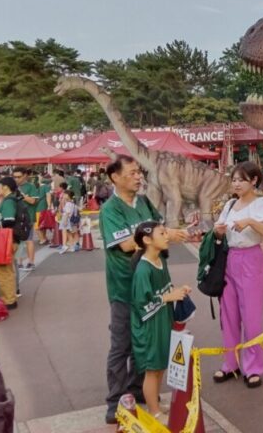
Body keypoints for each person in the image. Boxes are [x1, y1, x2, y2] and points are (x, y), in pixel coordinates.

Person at [98, 154, 189, 424]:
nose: (139, 177)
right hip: (125, 288)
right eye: (132, 173)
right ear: (115, 177)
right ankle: (115, 401)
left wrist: (169, 232)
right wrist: (166, 234)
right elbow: (127, 244)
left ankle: (139, 390)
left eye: (140, 172)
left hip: (154, 286)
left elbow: (158, 229)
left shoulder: (145, 202)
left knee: (147, 340)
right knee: (122, 343)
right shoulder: (110, 210)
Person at [212, 161, 263, 389]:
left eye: (241, 180)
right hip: (229, 259)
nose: (236, 184)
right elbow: (219, 232)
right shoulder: (230, 204)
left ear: (254, 181)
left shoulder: (260, 204)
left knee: (251, 316)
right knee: (228, 315)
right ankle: (230, 363)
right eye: (234, 180)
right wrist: (217, 232)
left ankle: (253, 367)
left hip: (251, 259)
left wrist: (251, 221)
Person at [130, 221, 191, 421]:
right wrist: (168, 297)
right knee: (152, 369)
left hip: (163, 320)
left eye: (166, 233)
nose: (167, 236)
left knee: (161, 365)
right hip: (150, 326)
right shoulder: (143, 270)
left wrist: (178, 291)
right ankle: (153, 409)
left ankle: (154, 402)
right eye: (162, 233)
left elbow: (166, 288)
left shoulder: (161, 261)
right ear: (147, 240)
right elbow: (141, 305)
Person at [0, 177, 22, 310]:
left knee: (4, 271)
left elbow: (9, 220)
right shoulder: (10, 199)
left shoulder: (8, 201)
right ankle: (8, 297)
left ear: (6, 187)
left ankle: (9, 300)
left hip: (6, 239)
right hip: (10, 239)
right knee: (6, 270)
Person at [14, 168, 40, 270]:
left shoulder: (31, 186)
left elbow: (33, 201)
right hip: (15, 217)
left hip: (28, 217)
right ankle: (19, 262)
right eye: (15, 177)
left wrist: (22, 196)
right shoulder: (12, 187)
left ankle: (31, 262)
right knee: (17, 241)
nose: (16, 179)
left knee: (29, 240)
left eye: (19, 177)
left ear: (25, 175)